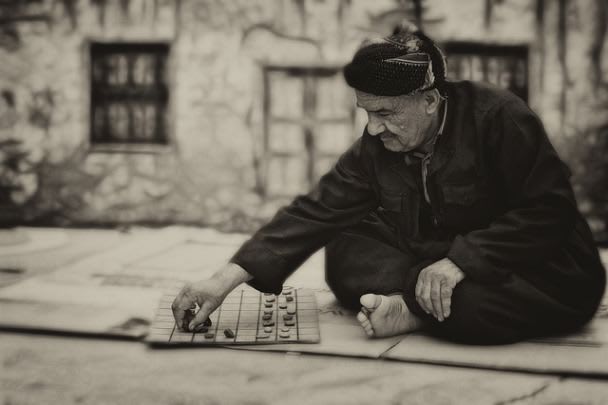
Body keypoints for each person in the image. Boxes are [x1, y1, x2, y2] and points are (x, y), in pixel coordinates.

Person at [172, 26, 606, 344]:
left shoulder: (500, 118)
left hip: (534, 265)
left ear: (430, 101)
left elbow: (549, 213)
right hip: (434, 254)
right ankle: (424, 297)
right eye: (366, 113)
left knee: (472, 306)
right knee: (342, 248)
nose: (374, 128)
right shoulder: (379, 143)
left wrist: (462, 262)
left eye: (384, 113)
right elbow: (316, 210)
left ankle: (416, 308)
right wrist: (222, 280)